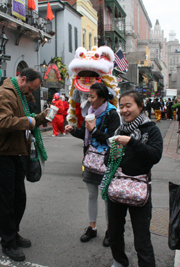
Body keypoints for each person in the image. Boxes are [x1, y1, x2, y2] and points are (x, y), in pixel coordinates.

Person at [0, 68, 49, 262]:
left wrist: (40, 117)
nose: (31, 93)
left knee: (18, 198)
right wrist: (29, 121)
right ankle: (8, 241)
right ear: (22, 80)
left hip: (16, 152)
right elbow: (4, 122)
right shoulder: (2, 94)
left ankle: (13, 232)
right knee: (4, 200)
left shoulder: (19, 94)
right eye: (30, 88)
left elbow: (24, 119)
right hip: (0, 154)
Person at [101, 89, 163, 267]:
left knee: (142, 237)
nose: (124, 110)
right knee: (114, 231)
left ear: (140, 106)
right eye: (121, 106)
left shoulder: (150, 129)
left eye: (129, 106)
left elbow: (155, 155)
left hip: (139, 189)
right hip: (117, 186)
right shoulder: (119, 130)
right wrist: (112, 156)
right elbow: (107, 159)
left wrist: (131, 142)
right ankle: (119, 261)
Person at [65, 83, 120, 247]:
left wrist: (94, 131)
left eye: (92, 97)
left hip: (106, 160)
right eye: (88, 96)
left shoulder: (112, 114)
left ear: (102, 98)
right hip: (90, 159)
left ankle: (110, 230)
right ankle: (92, 228)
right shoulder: (90, 112)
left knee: (107, 198)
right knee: (91, 194)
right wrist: (73, 130)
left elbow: (112, 139)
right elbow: (85, 134)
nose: (89, 99)